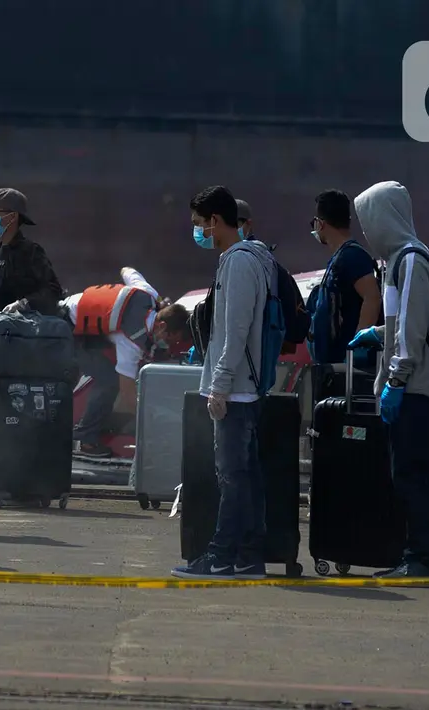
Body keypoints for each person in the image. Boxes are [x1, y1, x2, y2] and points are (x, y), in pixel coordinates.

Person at [172, 186, 275, 581]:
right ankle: (249, 556)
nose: (198, 232)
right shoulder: (256, 258)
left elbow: (236, 329)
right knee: (245, 477)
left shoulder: (238, 262)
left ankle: (220, 557)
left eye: (200, 224)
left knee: (232, 478)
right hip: (245, 384)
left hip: (236, 388)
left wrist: (219, 385)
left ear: (215, 221)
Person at [347, 180, 429, 579]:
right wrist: (378, 336)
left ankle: (423, 557)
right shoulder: (396, 263)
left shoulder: (411, 261)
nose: (367, 232)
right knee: (405, 475)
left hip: (414, 388)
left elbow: (413, 328)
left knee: (413, 475)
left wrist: (397, 379)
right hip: (407, 385)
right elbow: (400, 324)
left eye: (369, 221)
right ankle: (414, 553)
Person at [63, 267, 191, 457]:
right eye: (172, 339)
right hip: (68, 328)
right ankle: (85, 440)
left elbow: (127, 270)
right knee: (109, 380)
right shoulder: (131, 342)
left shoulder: (148, 294)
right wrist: (154, 423)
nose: (171, 345)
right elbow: (128, 396)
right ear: (162, 326)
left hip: (81, 318)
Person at [308, 189, 382, 398]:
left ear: (319, 223)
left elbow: (372, 297)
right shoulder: (340, 258)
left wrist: (357, 346)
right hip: (333, 366)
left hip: (348, 368)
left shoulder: (352, 256)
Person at [0, 188, 64, 349]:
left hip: (23, 347)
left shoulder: (30, 252)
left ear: (12, 216)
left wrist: (23, 304)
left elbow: (54, 291)